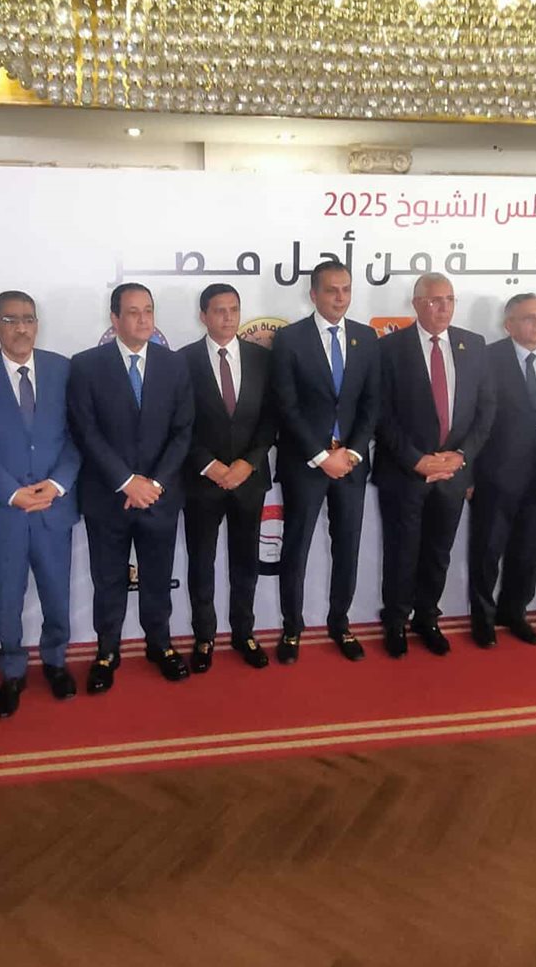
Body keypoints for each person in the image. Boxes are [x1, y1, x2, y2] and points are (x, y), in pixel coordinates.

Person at [0, 291, 80, 718]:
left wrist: (57, 485)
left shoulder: (62, 369)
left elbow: (77, 436)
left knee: (57, 594)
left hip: (52, 508)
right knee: (6, 598)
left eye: (28, 319)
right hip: (1, 510)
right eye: (10, 320)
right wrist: (11, 492)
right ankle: (12, 672)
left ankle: (56, 662)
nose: (21, 328)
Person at [68, 283, 195, 693]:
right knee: (108, 580)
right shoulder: (86, 365)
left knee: (157, 577)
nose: (143, 319)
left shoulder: (174, 365)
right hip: (109, 497)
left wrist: (153, 483)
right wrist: (126, 482)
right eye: (134, 312)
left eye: (148, 311)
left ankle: (160, 644)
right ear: (115, 318)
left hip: (159, 496)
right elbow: (85, 431)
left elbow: (183, 431)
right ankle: (107, 651)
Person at [374, 273, 494, 658]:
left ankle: (427, 618)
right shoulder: (389, 348)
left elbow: (486, 410)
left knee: (438, 552)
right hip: (405, 473)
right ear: (416, 304)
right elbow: (381, 414)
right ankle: (396, 621)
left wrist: (461, 456)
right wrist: (417, 460)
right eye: (434, 300)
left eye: (449, 299)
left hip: (453, 473)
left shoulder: (474, 345)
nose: (443, 307)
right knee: (401, 552)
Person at [270, 261, 380, 664]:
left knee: (347, 547)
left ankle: (340, 623)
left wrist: (352, 452)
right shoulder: (290, 339)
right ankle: (292, 627)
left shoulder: (366, 338)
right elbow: (285, 405)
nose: (340, 297)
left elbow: (372, 403)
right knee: (295, 548)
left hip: (350, 464)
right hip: (305, 463)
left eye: (346, 289)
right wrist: (320, 456)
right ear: (313, 294)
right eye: (332, 290)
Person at [179, 283, 277, 671]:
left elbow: (271, 418)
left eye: (234, 309)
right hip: (202, 481)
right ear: (203, 315)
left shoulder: (261, 358)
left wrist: (248, 463)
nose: (228, 317)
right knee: (201, 562)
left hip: (248, 480)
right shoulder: (182, 361)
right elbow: (178, 423)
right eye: (219, 310)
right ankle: (204, 637)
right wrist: (210, 465)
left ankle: (243, 633)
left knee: (245, 562)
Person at [468, 292, 536, 647]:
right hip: (496, 474)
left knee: (529, 553)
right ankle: (483, 618)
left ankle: (514, 612)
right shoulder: (487, 358)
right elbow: (472, 417)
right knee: (487, 553)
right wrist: (469, 473)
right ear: (509, 325)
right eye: (528, 317)